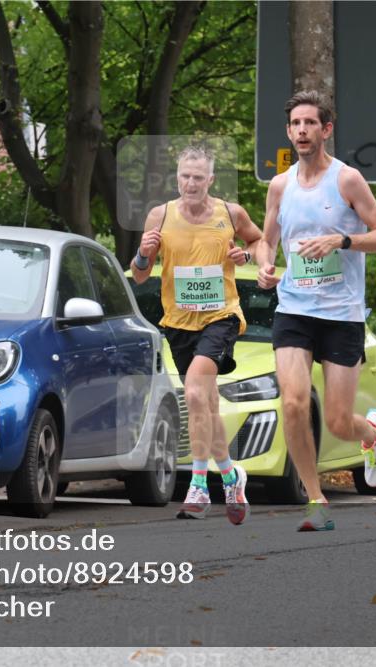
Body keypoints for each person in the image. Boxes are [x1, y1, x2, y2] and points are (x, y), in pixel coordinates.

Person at [255, 90, 376, 531]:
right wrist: (264, 263)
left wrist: (343, 240)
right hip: (294, 309)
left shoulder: (347, 181)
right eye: (295, 124)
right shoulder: (279, 185)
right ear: (288, 131)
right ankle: (315, 501)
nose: (302, 130)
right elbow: (267, 239)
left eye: (310, 123)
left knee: (338, 422)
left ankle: (374, 435)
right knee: (295, 403)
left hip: (341, 314)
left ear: (326, 130)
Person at [132, 145, 263, 524]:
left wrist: (247, 256)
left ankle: (199, 486)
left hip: (221, 316)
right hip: (177, 322)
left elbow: (258, 241)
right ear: (177, 178)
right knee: (206, 402)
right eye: (184, 177)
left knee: (192, 392)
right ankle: (231, 473)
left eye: (198, 177)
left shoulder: (230, 213)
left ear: (210, 180)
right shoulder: (161, 215)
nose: (190, 183)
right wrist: (143, 253)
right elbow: (140, 273)